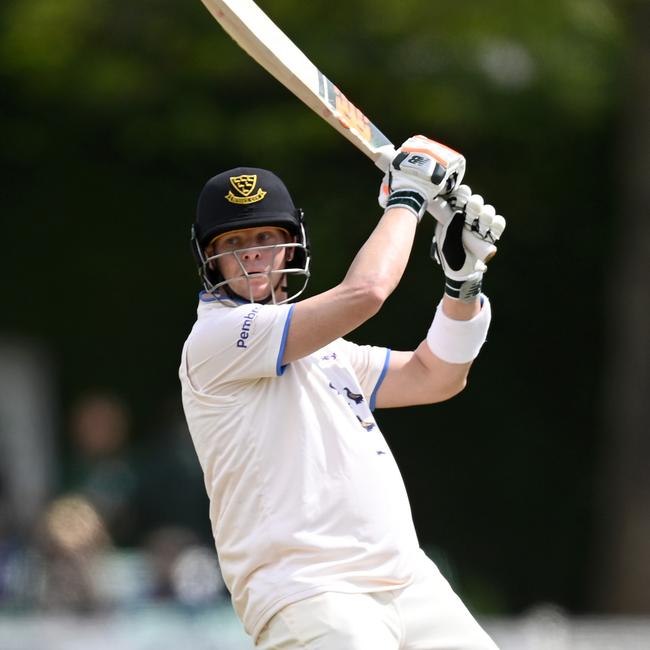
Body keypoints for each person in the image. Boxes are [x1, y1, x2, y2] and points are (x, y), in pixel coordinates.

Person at [179, 135, 506, 650]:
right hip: (311, 593)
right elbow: (367, 292)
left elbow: (435, 376)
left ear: (291, 243)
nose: (252, 257)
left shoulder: (326, 352)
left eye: (265, 237)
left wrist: (462, 285)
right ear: (209, 258)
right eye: (233, 244)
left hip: (408, 581)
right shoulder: (215, 341)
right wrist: (407, 199)